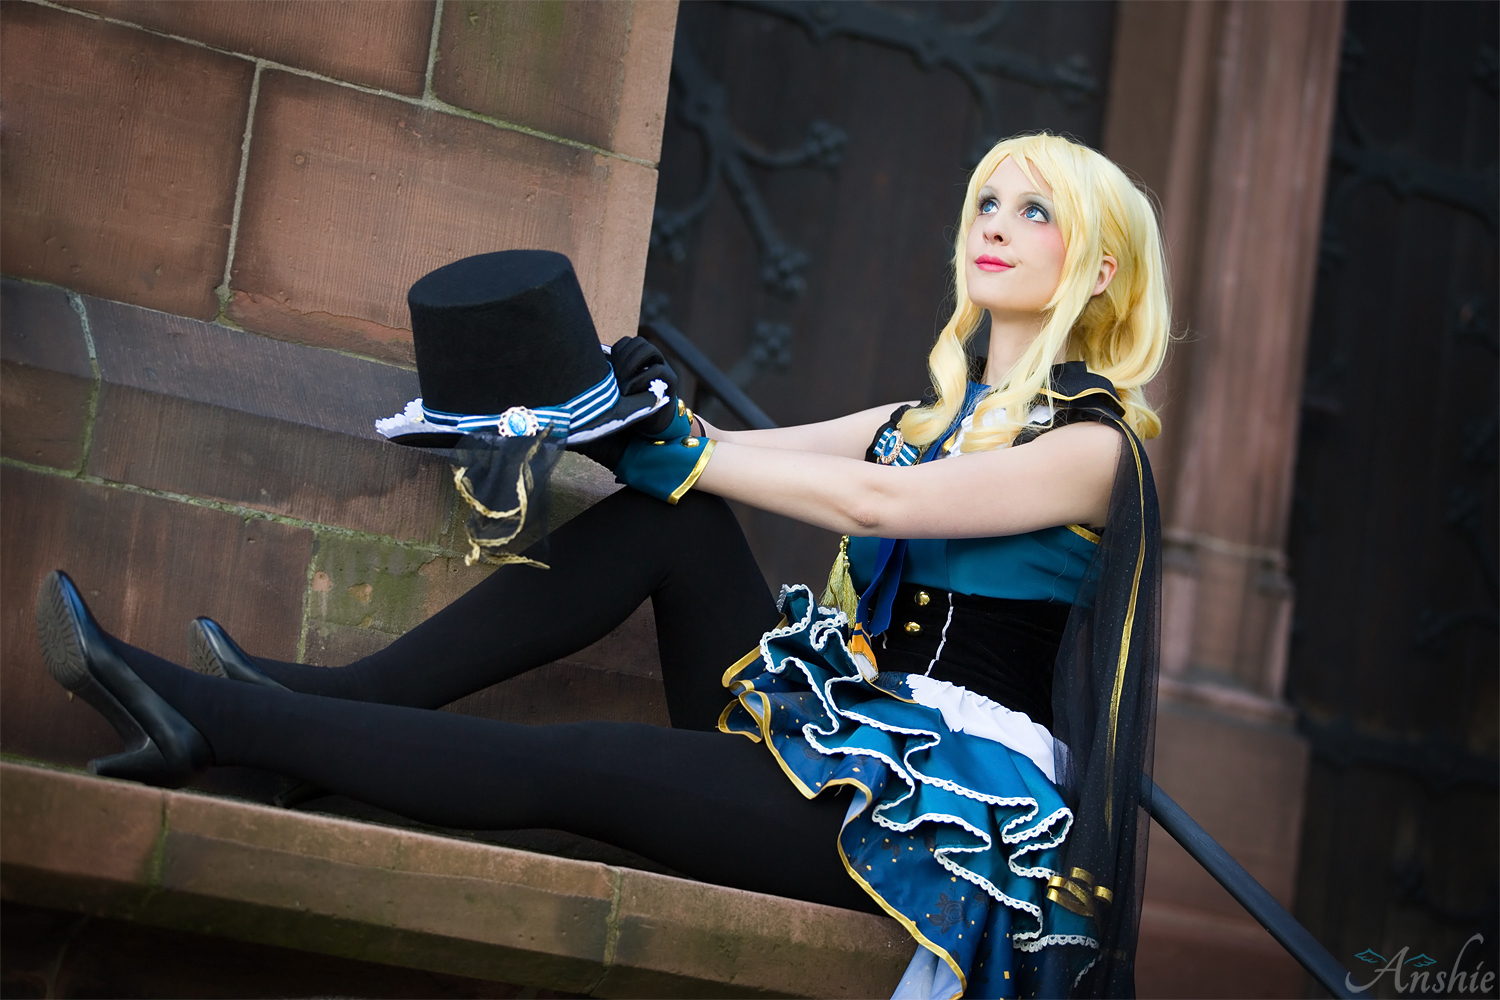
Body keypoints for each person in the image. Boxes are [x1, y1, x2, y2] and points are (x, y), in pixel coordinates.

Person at [36, 132, 1166, 1000]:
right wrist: (615, 407)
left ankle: (218, 723)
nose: (995, 225)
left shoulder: (1095, 451)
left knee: (584, 762)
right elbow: (714, 457)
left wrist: (684, 451)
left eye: (1034, 211)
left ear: (1101, 267)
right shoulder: (918, 420)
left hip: (939, 813)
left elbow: (879, 502)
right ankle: (345, 698)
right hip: (843, 730)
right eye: (986, 202)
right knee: (675, 519)